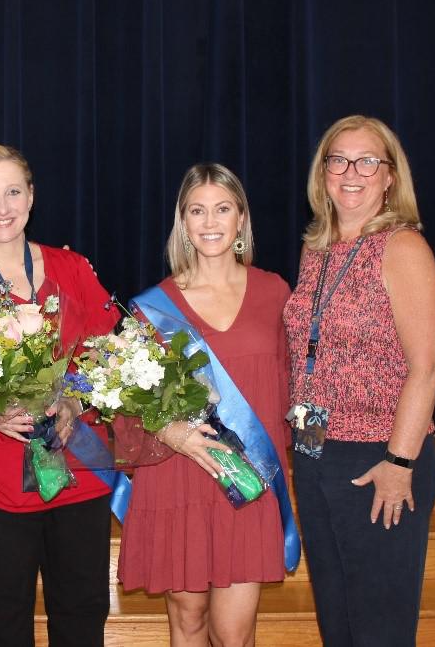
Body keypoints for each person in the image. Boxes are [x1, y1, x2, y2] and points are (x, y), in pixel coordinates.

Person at [0, 143, 121, 647]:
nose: (2, 207)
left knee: (81, 620)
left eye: (13, 191)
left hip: (79, 469)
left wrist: (78, 400)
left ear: (31, 197)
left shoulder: (72, 268)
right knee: (3, 626)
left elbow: (112, 356)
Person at [283, 115, 435, 646]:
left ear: (389, 176)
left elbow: (428, 366)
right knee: (337, 618)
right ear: (322, 172)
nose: (351, 172)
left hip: (379, 457)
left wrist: (400, 462)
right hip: (316, 451)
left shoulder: (403, 248)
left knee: (379, 626)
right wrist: (303, 452)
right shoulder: (317, 248)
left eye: (367, 161)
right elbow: (312, 362)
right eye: (338, 160)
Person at [117, 163, 294, 647]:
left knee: (233, 635)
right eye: (197, 210)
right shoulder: (154, 307)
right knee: (188, 622)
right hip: (177, 476)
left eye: (222, 209)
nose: (210, 222)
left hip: (247, 476)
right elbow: (125, 405)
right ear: (183, 222)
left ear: (241, 219)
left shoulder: (275, 292)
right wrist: (172, 432)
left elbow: (296, 386)